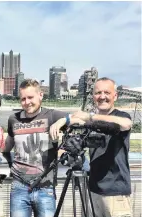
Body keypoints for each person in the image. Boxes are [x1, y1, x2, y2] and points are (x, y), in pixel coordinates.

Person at [51, 77, 133, 217]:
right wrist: (62, 121)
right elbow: (75, 119)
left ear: (115, 96)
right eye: (98, 93)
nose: (102, 97)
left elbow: (125, 124)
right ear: (93, 96)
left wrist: (90, 117)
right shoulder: (90, 120)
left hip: (116, 193)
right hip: (93, 190)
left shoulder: (120, 116)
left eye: (107, 92)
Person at [3, 79, 71, 217]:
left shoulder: (52, 115)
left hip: (45, 187)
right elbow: (6, 147)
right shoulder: (13, 119)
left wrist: (63, 121)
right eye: (23, 99)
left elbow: (83, 117)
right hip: (19, 187)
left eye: (30, 97)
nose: (27, 102)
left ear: (40, 95)